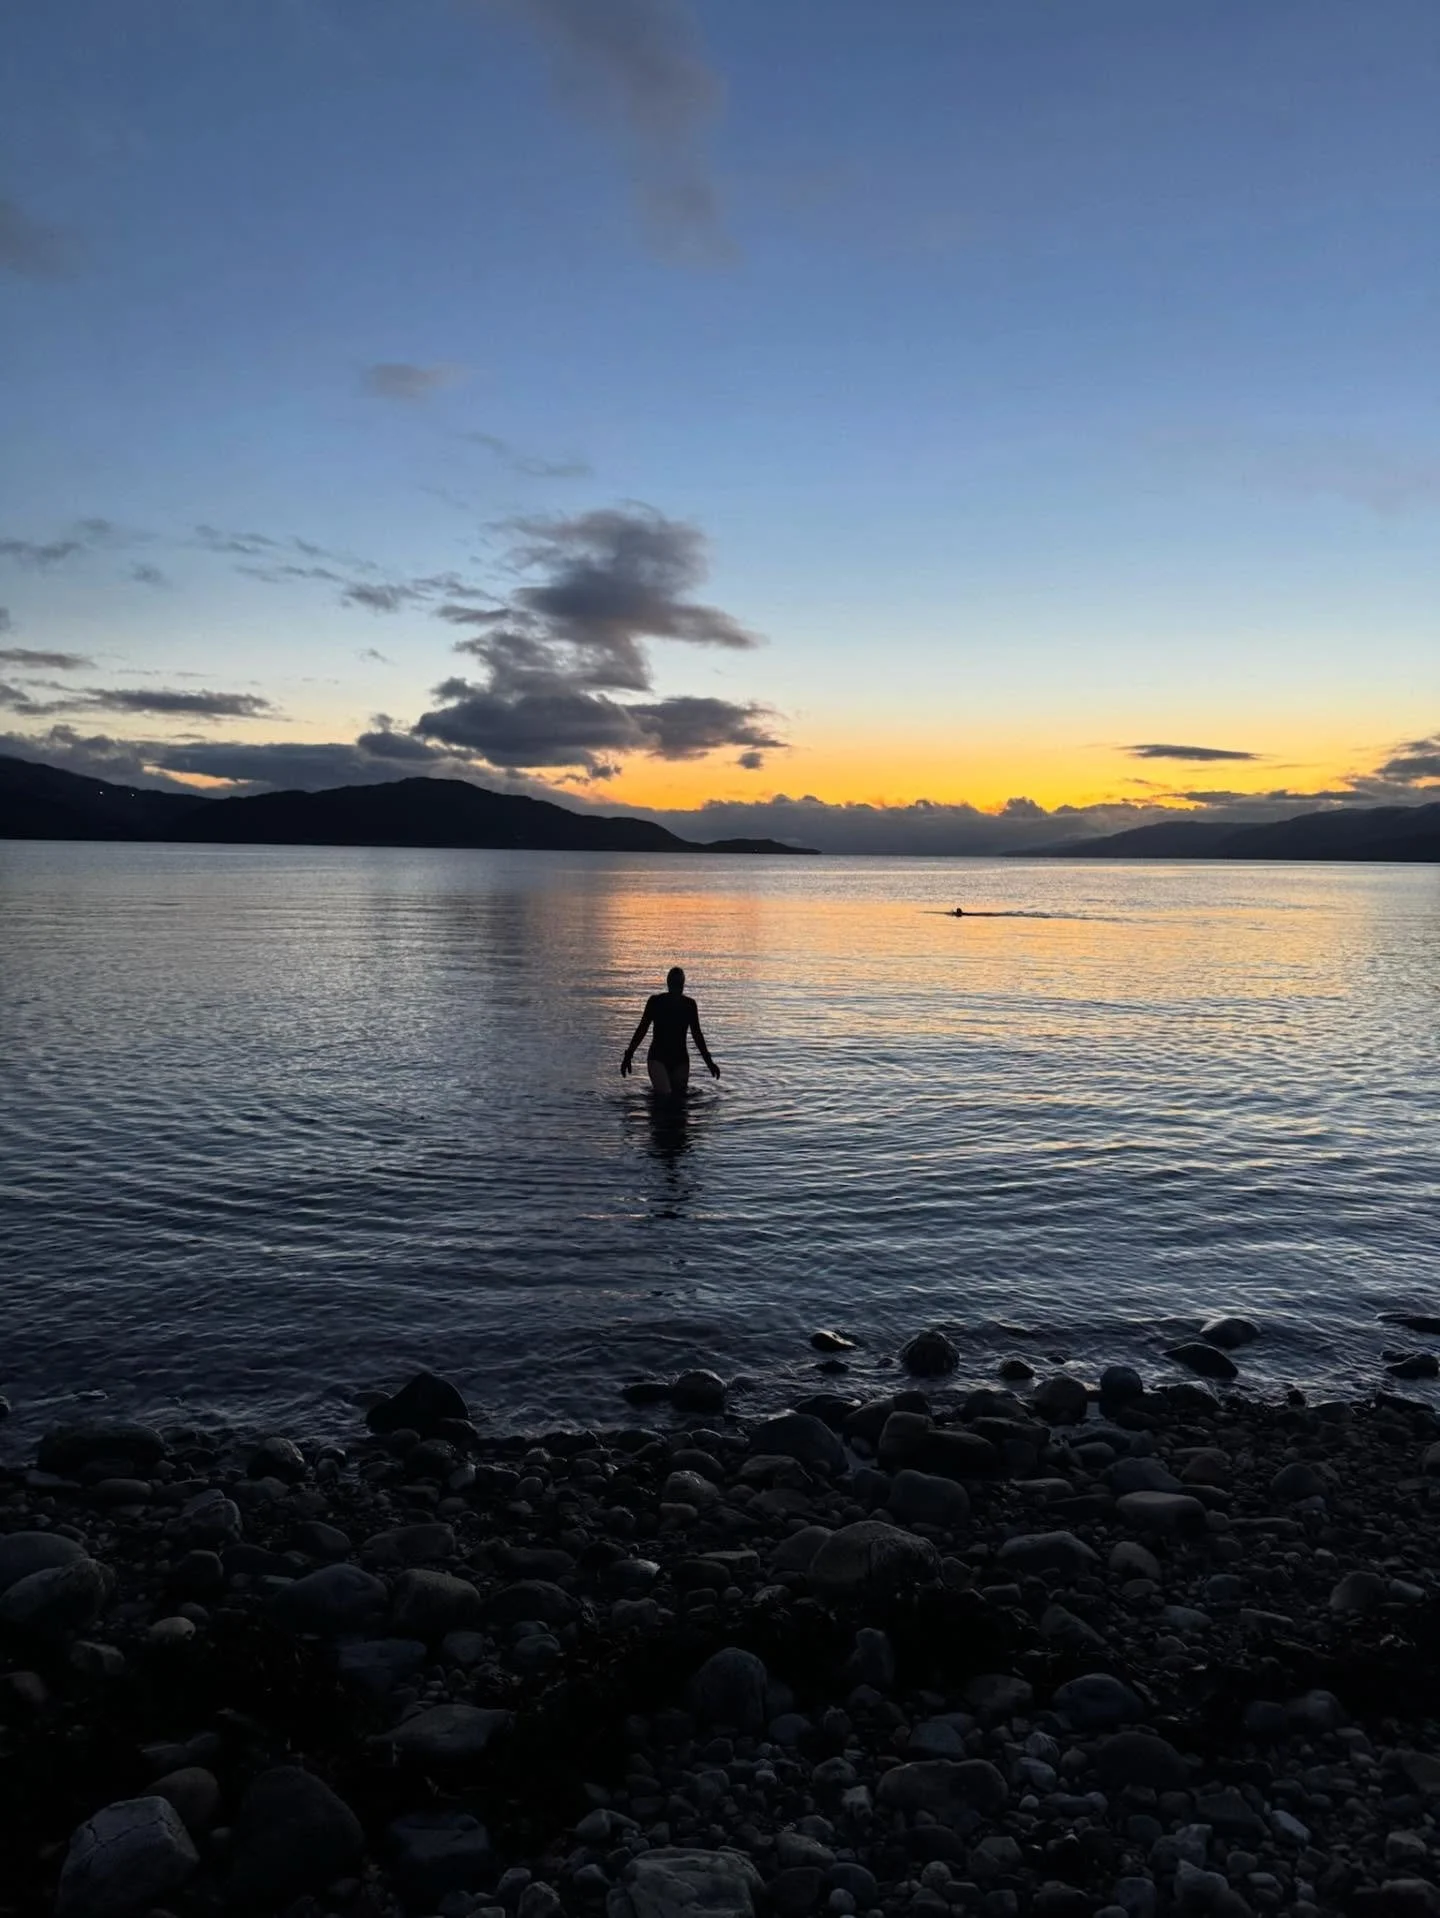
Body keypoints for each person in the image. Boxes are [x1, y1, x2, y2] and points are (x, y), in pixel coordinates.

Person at [621, 966, 720, 1096]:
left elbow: (697, 1036)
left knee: (679, 1099)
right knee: (665, 1096)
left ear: (683, 985)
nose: (677, 988)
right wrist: (628, 1055)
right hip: (657, 1057)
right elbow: (642, 1029)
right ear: (669, 984)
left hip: (680, 1059)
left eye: (679, 984)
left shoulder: (689, 1005)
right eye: (675, 984)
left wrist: (709, 1063)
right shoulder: (655, 1002)